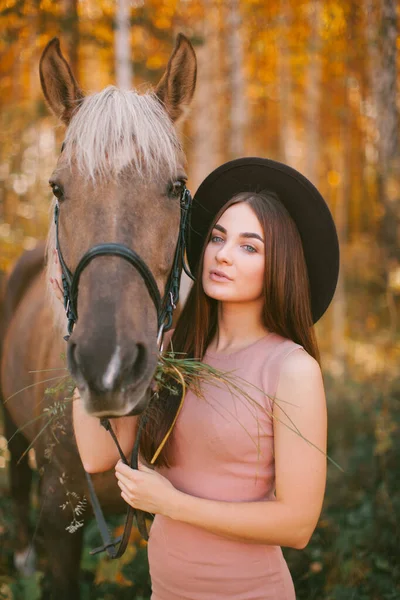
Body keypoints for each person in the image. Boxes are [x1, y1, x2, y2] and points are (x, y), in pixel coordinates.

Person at [50, 157, 339, 600]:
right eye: (218, 238)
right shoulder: (173, 355)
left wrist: (173, 505)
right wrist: (91, 324)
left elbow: (297, 525)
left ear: (280, 263)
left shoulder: (291, 368)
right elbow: (96, 454)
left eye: (249, 246)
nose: (222, 253)